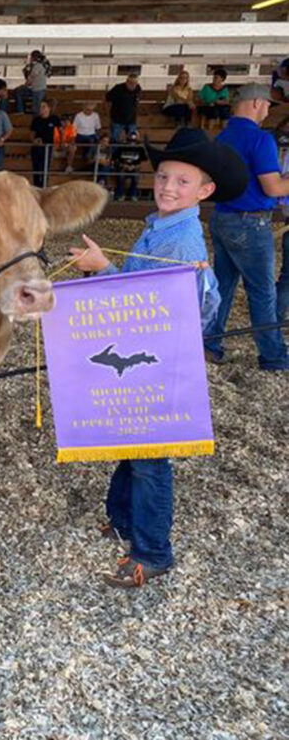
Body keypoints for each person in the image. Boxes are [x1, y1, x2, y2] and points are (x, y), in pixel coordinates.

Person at [68, 127, 247, 588]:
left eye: (182, 181)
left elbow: (145, 307)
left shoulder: (180, 242)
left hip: (162, 361)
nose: (168, 186)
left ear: (205, 191)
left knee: (150, 458)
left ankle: (152, 552)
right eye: (164, 176)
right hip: (149, 354)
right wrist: (105, 268)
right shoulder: (161, 227)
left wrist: (102, 270)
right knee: (132, 442)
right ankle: (123, 520)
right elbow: (139, 295)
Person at [205, 83, 289, 370]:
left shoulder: (222, 137)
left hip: (222, 217)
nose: (267, 112)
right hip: (251, 223)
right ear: (256, 103)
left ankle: (210, 345)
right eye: (267, 106)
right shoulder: (261, 139)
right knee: (262, 292)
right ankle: (274, 357)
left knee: (223, 286)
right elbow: (273, 188)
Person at [30, 98, 63, 188]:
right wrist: (34, 141)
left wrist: (61, 143)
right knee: (36, 168)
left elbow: (61, 131)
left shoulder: (54, 119)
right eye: (40, 107)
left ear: (49, 108)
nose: (41, 109)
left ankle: (44, 185)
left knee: (46, 167)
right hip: (37, 147)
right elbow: (32, 134)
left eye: (44, 107)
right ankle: (37, 186)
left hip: (48, 147)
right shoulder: (36, 120)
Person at [106, 73, 143, 145]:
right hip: (117, 120)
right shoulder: (118, 88)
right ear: (127, 82)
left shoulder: (138, 89)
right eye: (131, 83)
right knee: (115, 141)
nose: (133, 85)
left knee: (133, 140)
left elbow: (137, 101)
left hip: (131, 120)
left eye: (135, 83)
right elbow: (107, 98)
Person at [112, 130, 146, 201]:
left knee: (136, 177)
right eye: (130, 140)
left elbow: (143, 162)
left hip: (135, 168)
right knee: (120, 176)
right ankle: (120, 194)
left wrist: (135, 167)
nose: (132, 143)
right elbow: (115, 159)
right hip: (123, 168)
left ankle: (133, 195)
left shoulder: (140, 148)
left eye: (134, 141)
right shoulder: (122, 147)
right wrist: (123, 165)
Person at [14, 51, 48, 115]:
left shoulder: (38, 66)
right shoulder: (41, 65)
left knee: (37, 107)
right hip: (37, 88)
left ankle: (20, 111)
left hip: (38, 89)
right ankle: (21, 111)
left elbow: (31, 78)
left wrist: (24, 85)